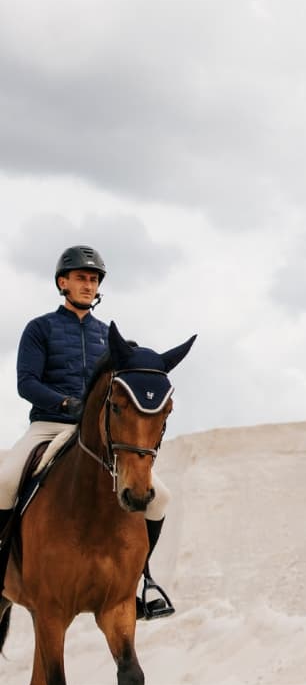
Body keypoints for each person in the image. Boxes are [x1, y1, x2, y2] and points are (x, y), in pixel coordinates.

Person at [0, 246, 176, 619]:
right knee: (3, 481)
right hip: (49, 426)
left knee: (160, 498)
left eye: (93, 279)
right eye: (80, 277)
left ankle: (141, 580)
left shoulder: (109, 339)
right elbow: (26, 382)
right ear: (62, 283)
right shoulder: (40, 328)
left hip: (97, 435)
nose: (88, 284)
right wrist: (66, 405)